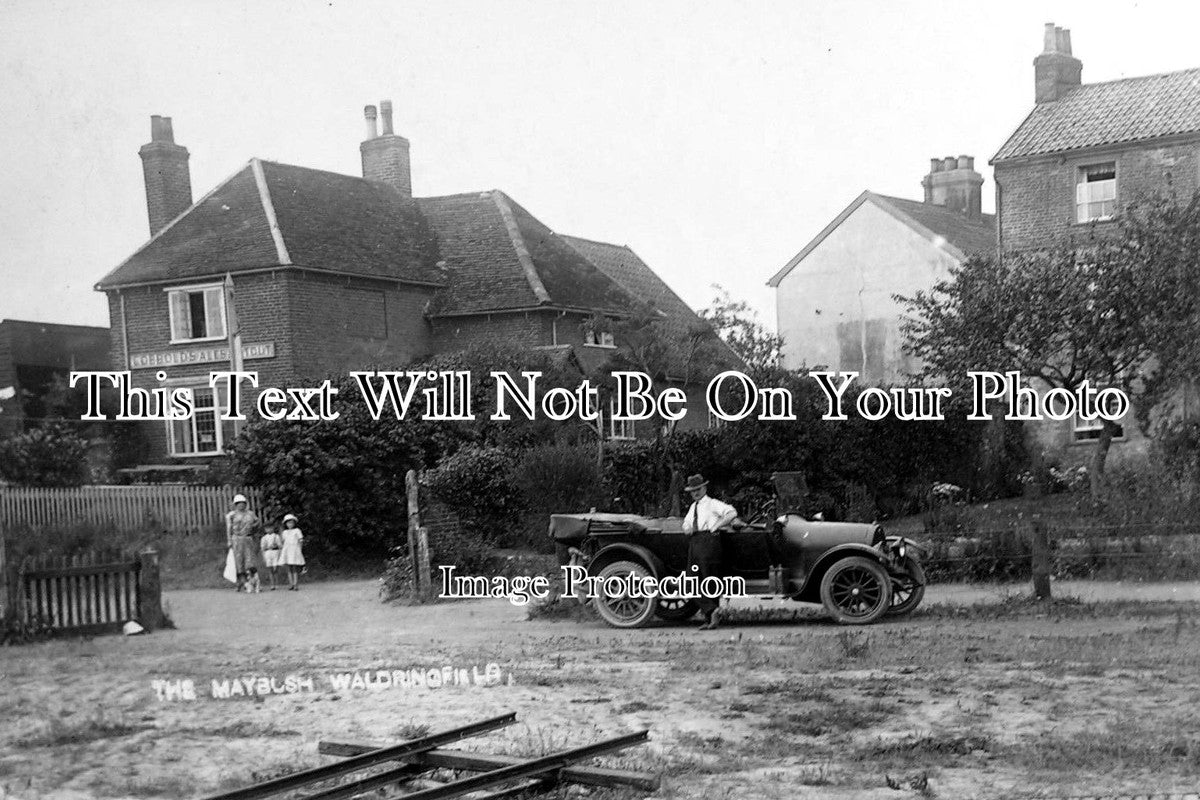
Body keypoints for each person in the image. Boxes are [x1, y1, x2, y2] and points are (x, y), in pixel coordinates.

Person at [680, 473, 738, 630]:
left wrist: (717, 525)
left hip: (709, 542)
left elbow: (732, 513)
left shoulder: (712, 504)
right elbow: (686, 524)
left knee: (709, 580)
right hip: (695, 543)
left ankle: (710, 619)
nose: (695, 493)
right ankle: (712, 610)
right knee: (690, 583)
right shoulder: (693, 507)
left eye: (698, 489)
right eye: (692, 491)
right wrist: (687, 528)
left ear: (704, 488)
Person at [225, 494, 262, 593]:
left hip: (248, 539)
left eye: (243, 503)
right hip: (236, 539)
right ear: (235, 504)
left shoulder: (251, 514)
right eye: (238, 503)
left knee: (250, 562)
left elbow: (257, 523)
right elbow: (229, 528)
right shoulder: (231, 515)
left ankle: (254, 582)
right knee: (238, 562)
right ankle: (243, 583)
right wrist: (229, 540)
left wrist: (253, 527)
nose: (241, 505)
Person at [279, 513, 305, 591]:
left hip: (294, 550)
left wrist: (300, 549)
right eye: (288, 523)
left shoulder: (297, 531)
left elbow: (300, 540)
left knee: (294, 568)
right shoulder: (284, 532)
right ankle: (291, 584)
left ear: (294, 523)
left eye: (291, 523)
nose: (290, 524)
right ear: (285, 524)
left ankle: (295, 583)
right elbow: (283, 542)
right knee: (288, 568)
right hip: (287, 550)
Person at [260, 524, 283, 590]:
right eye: (267, 528)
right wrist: (263, 557)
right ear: (265, 529)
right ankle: (272, 584)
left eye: (270, 528)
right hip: (268, 553)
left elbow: (280, 546)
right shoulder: (264, 538)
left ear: (273, 528)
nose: (269, 530)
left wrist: (276, 546)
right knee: (270, 570)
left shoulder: (276, 536)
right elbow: (262, 548)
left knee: (275, 569)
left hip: (275, 552)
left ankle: (277, 583)